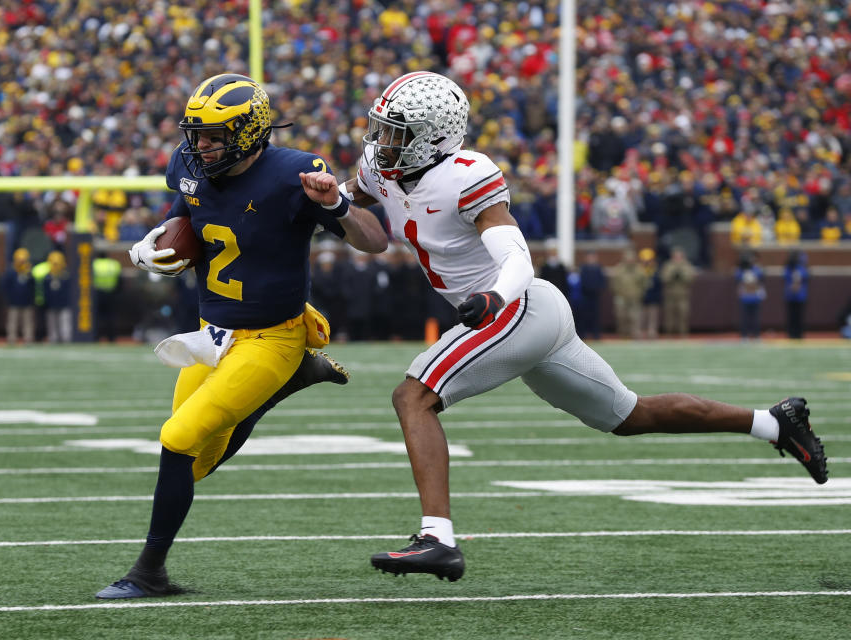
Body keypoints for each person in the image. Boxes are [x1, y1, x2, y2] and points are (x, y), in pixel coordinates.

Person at [316, 71, 827, 582]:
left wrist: (494, 294)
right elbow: (358, 213)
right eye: (382, 129)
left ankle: (438, 539)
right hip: (524, 316)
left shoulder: (466, 175)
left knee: (413, 396)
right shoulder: (382, 169)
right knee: (629, 415)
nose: (382, 142)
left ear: (433, 135)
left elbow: (516, 255)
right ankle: (775, 422)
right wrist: (329, 200)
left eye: (396, 132)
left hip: (515, 309)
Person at [96, 74, 388, 599]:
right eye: (197, 134)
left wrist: (337, 206)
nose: (200, 146)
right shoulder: (188, 166)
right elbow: (184, 218)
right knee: (197, 462)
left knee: (177, 439)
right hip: (212, 333)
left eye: (214, 135)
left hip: (273, 335)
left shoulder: (294, 173)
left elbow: (376, 242)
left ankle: (148, 572)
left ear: (250, 132)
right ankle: (285, 386)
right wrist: (154, 246)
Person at [2, 247, 36, 345]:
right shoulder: (11, 272)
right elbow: (5, 286)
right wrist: (9, 298)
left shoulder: (29, 272)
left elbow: (33, 286)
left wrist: (29, 274)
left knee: (28, 322)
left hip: (27, 301)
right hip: (14, 301)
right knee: (12, 321)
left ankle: (28, 338)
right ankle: (11, 338)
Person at [660, 247, 696, 337]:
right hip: (670, 294)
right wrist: (672, 275)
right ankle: (669, 333)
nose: (677, 258)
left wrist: (682, 275)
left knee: (683, 314)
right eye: (676, 256)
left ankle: (683, 333)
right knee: (669, 315)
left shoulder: (687, 265)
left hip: (683, 295)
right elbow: (663, 278)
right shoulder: (668, 265)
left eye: (679, 256)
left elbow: (691, 278)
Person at [92, 250, 122, 342]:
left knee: (96, 317)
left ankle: (96, 336)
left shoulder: (94, 264)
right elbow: (119, 280)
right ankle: (111, 337)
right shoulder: (114, 264)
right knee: (111, 317)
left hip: (97, 293)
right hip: (111, 293)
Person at [736, 252, 765, 340]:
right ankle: (744, 336)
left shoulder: (757, 269)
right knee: (744, 318)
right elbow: (738, 282)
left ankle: (756, 335)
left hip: (755, 297)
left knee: (755, 318)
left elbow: (760, 282)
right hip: (745, 297)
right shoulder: (741, 270)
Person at [782, 251, 809, 339]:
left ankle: (799, 333)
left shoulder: (801, 268)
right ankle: (791, 333)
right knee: (791, 316)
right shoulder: (788, 268)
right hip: (790, 296)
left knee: (799, 316)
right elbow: (785, 277)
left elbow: (805, 276)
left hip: (800, 296)